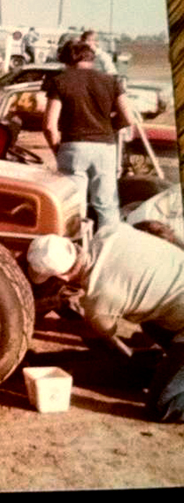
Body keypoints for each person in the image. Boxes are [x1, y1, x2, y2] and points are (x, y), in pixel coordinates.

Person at [26, 225, 184, 423]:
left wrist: (43, 324)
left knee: (162, 406)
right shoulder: (109, 232)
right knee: (147, 313)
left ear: (61, 277)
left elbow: (98, 332)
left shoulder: (99, 300)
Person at [42, 39, 136, 229]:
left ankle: (75, 243)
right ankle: (109, 241)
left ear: (66, 60)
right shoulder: (112, 81)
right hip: (105, 147)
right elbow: (128, 118)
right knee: (107, 204)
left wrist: (57, 149)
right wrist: (108, 128)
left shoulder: (59, 81)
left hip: (73, 146)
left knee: (73, 206)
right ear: (92, 59)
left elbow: (49, 126)